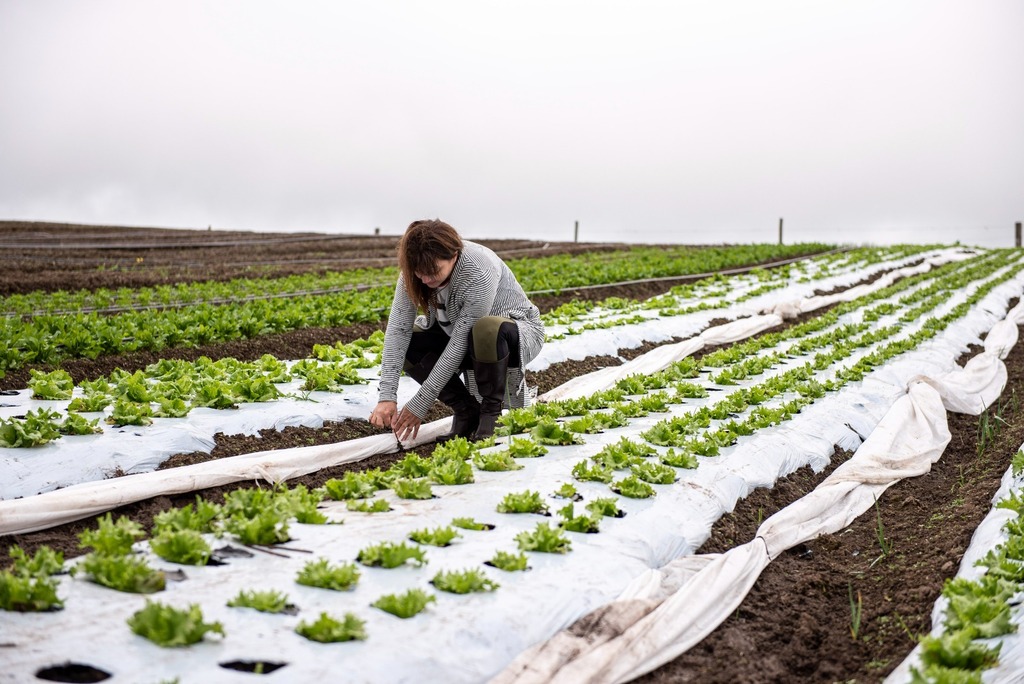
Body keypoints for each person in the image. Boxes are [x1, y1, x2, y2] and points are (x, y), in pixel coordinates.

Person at [369, 219, 545, 443]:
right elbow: (398, 329)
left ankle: (491, 412)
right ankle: (467, 410)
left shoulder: (478, 270)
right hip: (460, 333)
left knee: (486, 328)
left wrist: (420, 403)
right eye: (419, 273)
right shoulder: (415, 270)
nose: (426, 279)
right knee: (411, 339)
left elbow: (460, 343)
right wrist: (386, 397)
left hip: (516, 334)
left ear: (453, 255)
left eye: (434, 271)